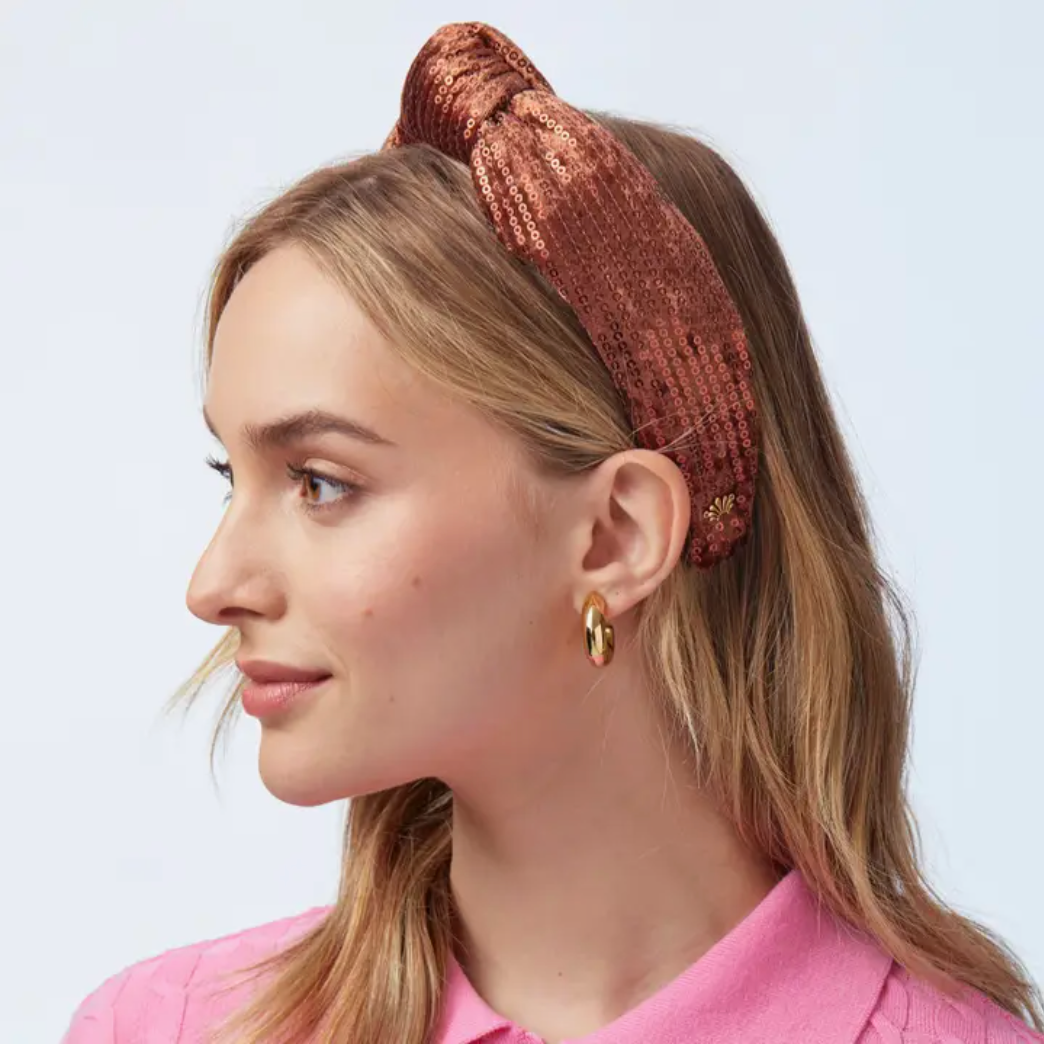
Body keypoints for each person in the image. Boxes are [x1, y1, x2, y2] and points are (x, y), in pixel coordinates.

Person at [61, 20, 1042, 1046]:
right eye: (234, 476)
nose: (213, 582)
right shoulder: (165, 1027)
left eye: (319, 480)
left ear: (616, 533)